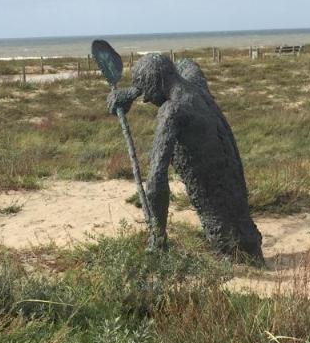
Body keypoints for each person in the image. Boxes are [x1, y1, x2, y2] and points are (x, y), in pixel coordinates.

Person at [109, 54, 264, 264]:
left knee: (231, 250)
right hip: (238, 201)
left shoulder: (172, 111)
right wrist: (132, 92)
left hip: (224, 229)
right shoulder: (195, 83)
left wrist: (158, 235)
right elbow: (186, 63)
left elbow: (156, 181)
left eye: (146, 92)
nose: (145, 99)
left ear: (160, 81)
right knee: (243, 234)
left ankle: (240, 261)